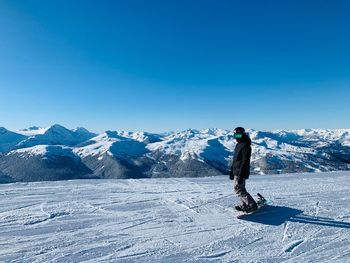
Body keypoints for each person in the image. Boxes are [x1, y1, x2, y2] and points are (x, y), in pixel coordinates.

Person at [229, 127, 258, 213]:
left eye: (239, 134)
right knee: (241, 188)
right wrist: (232, 171)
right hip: (237, 171)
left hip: (241, 171)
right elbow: (235, 159)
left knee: (238, 189)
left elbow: (245, 161)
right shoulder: (239, 144)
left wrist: (241, 174)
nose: (237, 136)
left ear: (243, 134)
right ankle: (244, 204)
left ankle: (251, 204)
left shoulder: (245, 145)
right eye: (236, 135)